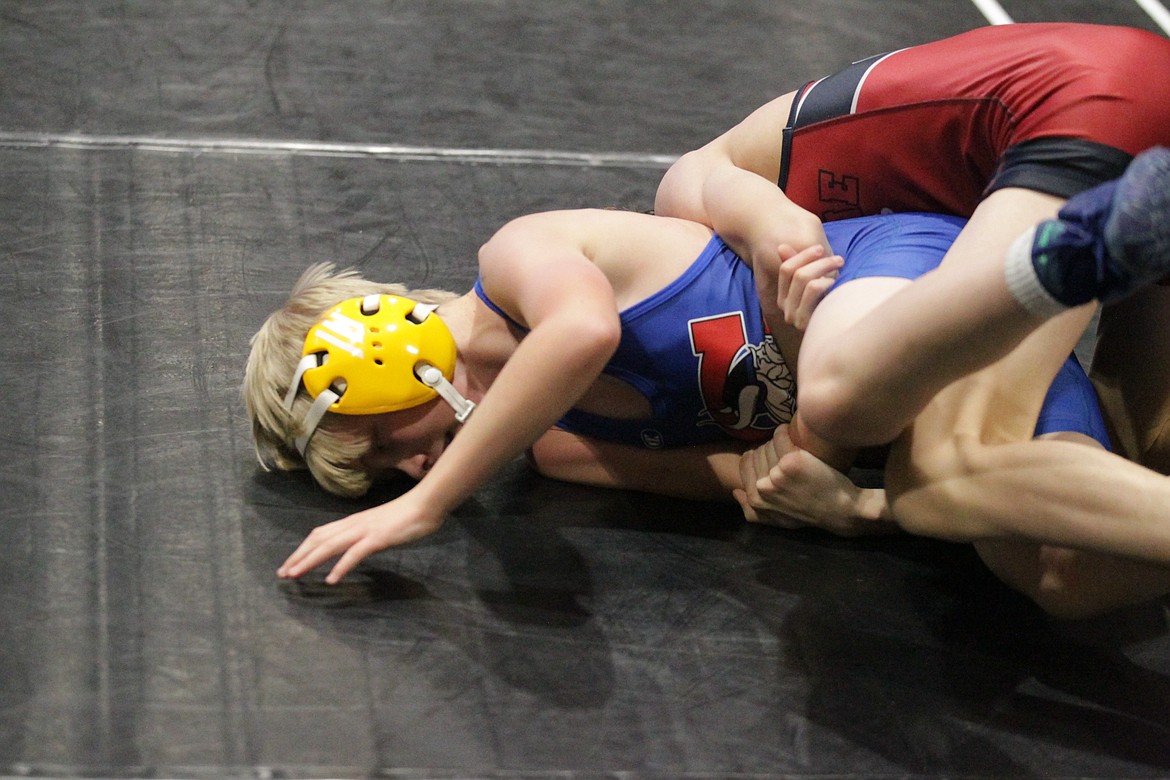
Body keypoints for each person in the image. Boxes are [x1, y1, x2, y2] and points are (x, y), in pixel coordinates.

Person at [244, 206, 1126, 615]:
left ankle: (1093, 244)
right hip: (902, 411)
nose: (409, 469)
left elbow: (583, 331)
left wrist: (423, 509)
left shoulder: (516, 257)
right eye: (388, 481)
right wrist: (847, 511)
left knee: (842, 380)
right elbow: (766, 479)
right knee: (1062, 582)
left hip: (893, 280)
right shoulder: (559, 450)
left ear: (383, 366)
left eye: (381, 452)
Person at [653, 23, 1170, 602]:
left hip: (1086, 108)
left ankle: (1060, 262)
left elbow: (703, 182)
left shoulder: (701, 198)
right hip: (1123, 137)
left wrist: (865, 506)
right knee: (1072, 567)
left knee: (921, 454)